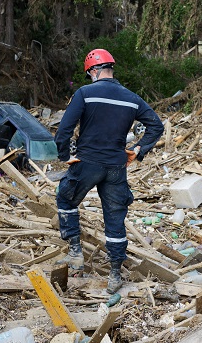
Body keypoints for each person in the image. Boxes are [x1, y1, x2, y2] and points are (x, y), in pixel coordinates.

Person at [53, 48, 164, 294]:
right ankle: (115, 274)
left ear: (93, 70)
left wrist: (65, 156)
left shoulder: (85, 93)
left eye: (89, 72)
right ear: (110, 68)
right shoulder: (131, 98)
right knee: (115, 218)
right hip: (116, 166)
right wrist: (138, 149)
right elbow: (156, 125)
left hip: (87, 163)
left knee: (65, 198)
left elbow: (64, 131)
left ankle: (75, 253)